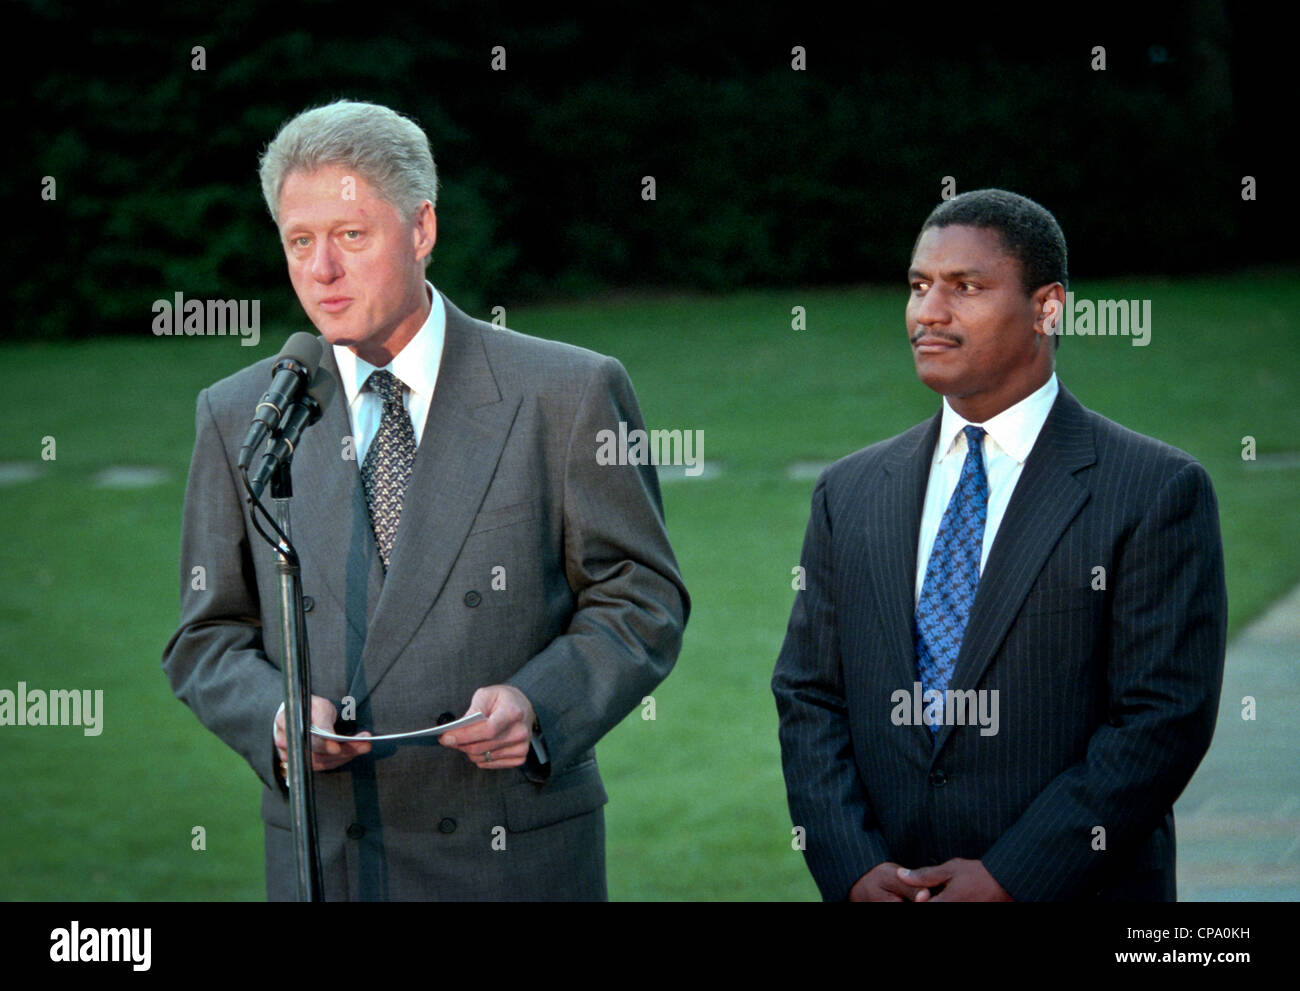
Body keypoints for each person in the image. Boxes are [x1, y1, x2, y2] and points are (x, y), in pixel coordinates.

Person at [162, 100, 689, 901]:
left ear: (422, 229)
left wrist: (540, 705)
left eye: (350, 235)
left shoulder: (567, 391)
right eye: (299, 241)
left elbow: (643, 597)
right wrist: (275, 716)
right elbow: (206, 634)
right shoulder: (244, 412)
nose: (321, 270)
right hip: (327, 858)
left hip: (511, 855)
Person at [771, 188, 1226, 902]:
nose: (929, 311)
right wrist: (852, 864)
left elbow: (1161, 720)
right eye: (919, 285)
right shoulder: (850, 491)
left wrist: (1015, 875)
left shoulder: (1154, 489)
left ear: (1048, 306)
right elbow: (809, 693)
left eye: (966, 287)